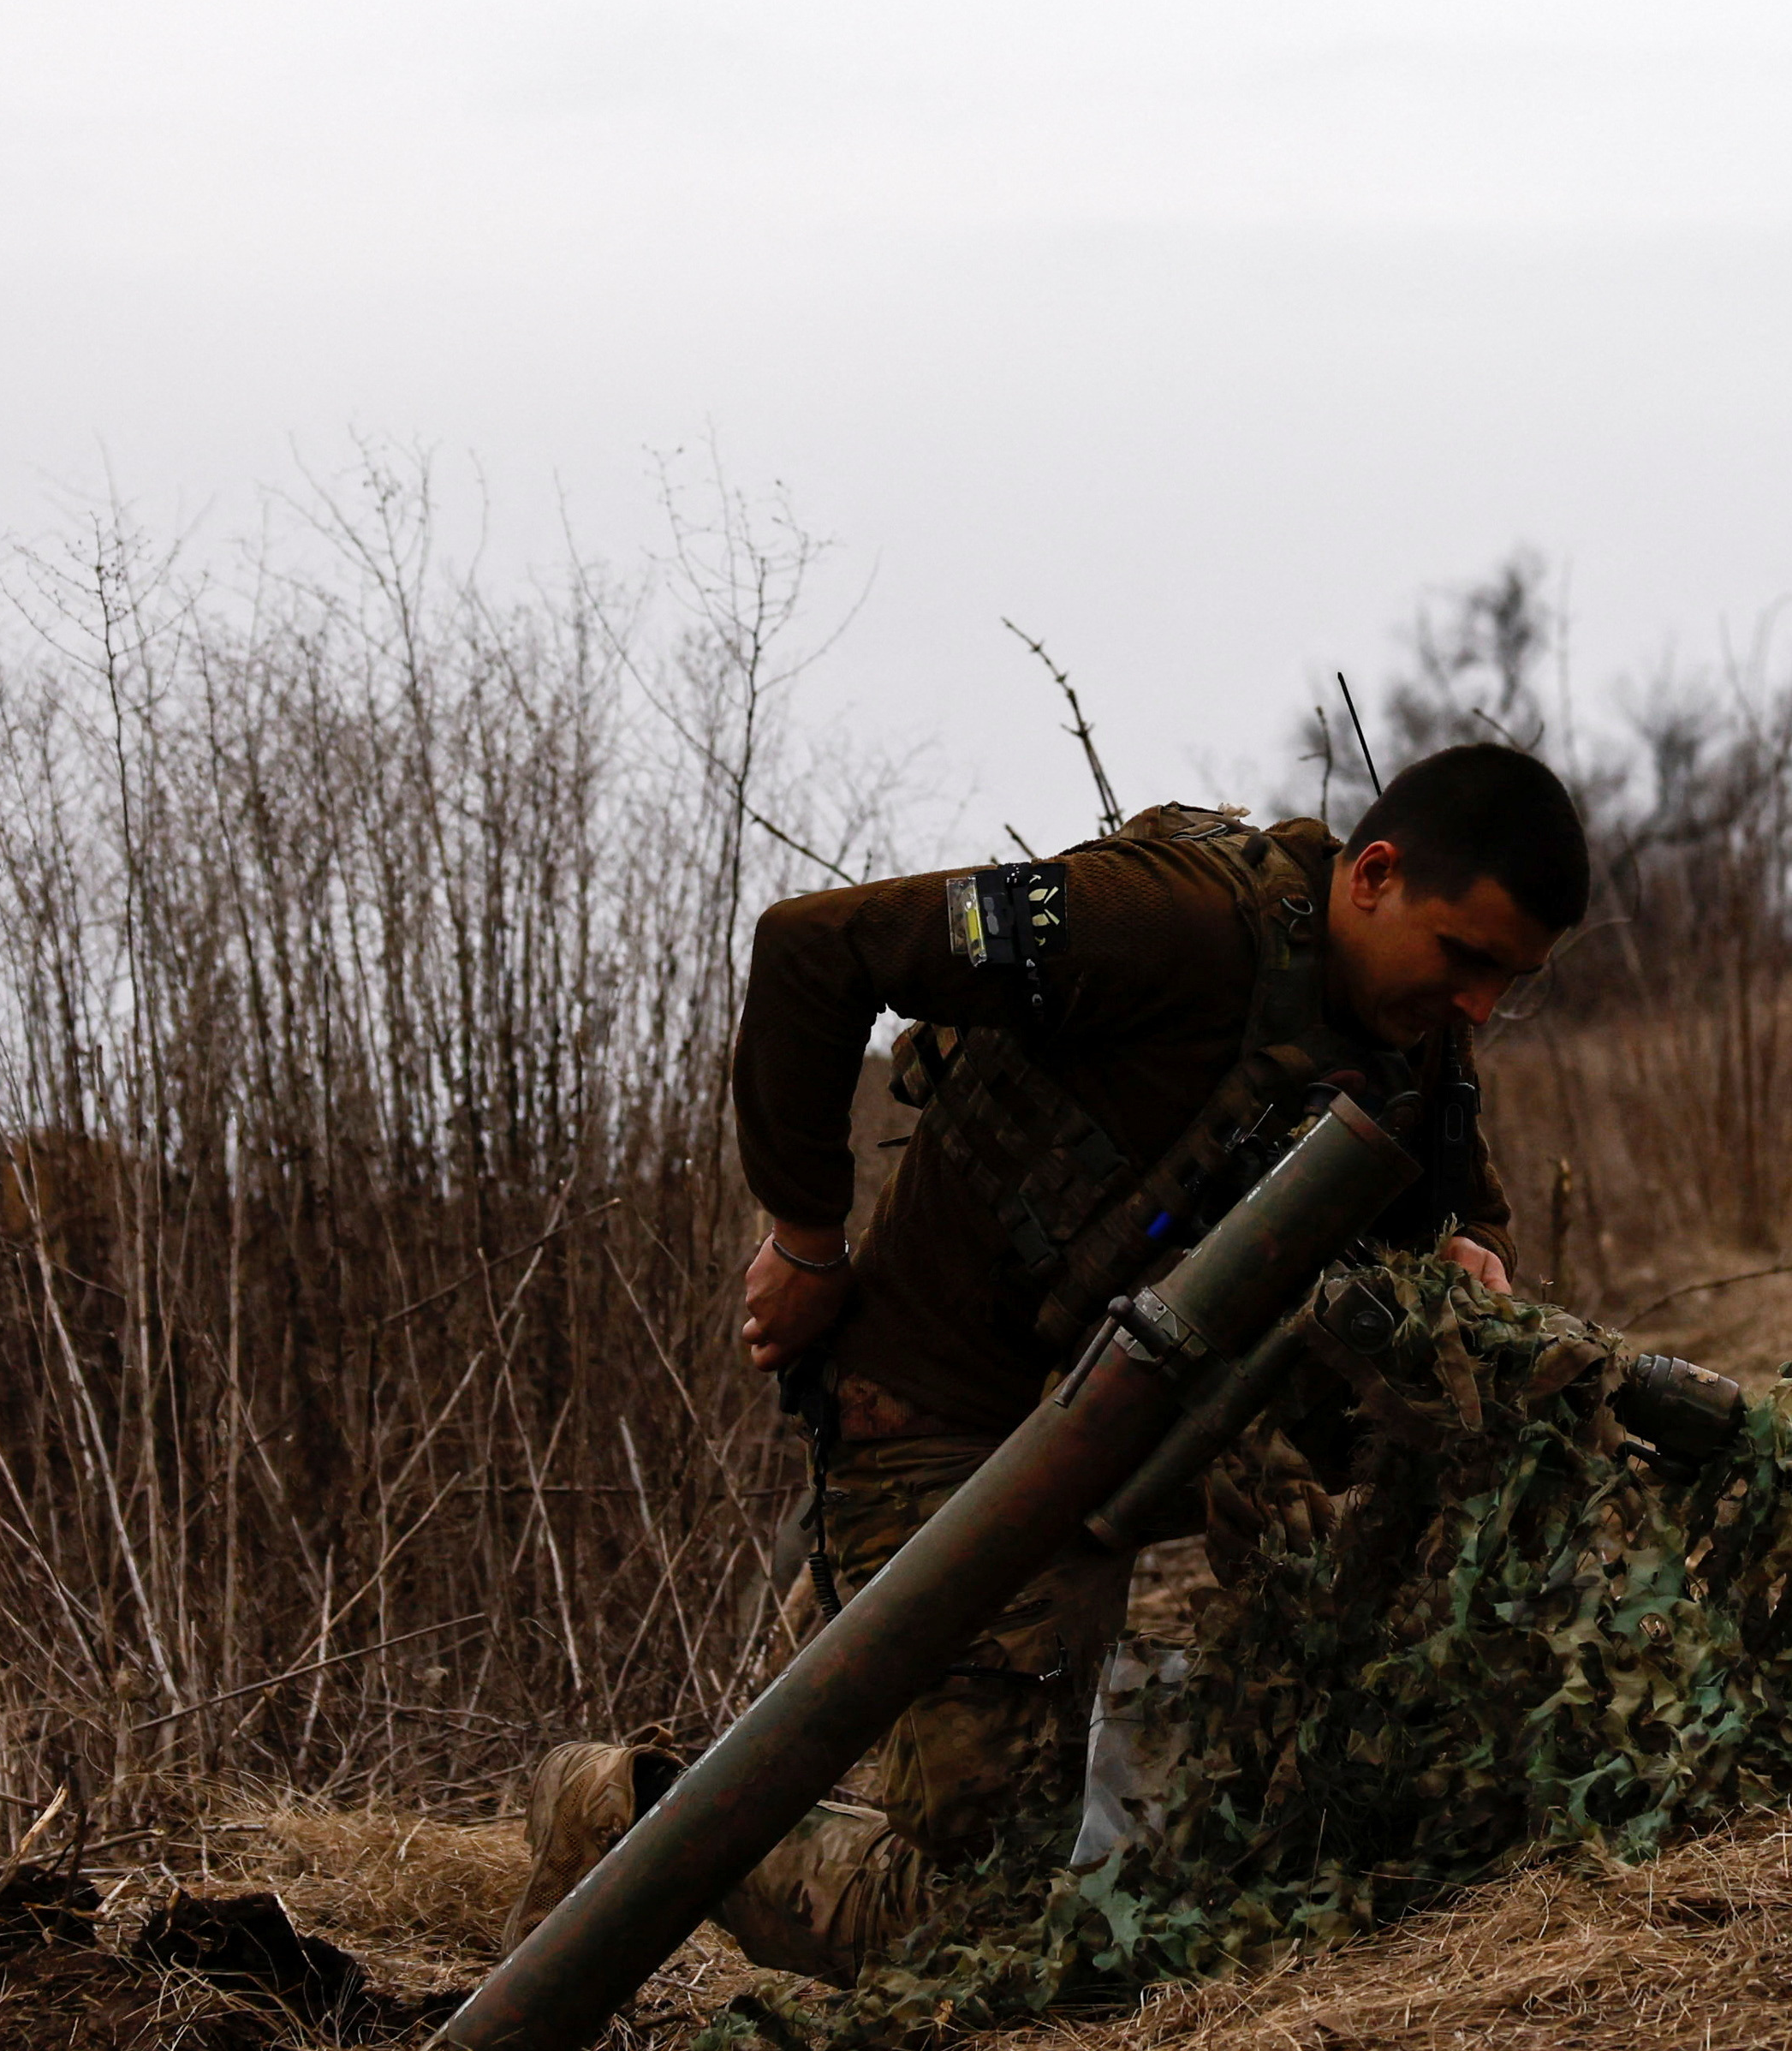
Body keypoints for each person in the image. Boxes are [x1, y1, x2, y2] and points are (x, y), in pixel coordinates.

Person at [514, 742, 1588, 1982]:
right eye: (1467, 960)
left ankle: (891, 1638)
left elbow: (1470, 1205)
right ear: (1376, 876)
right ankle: (621, 1804)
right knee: (984, 1925)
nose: (1481, 1009)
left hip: (1126, 1440)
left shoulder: (1415, 1041)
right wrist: (807, 1237)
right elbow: (815, 947)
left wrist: (1472, 1255)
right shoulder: (1171, 924)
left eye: (1510, 982)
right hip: (942, 1419)